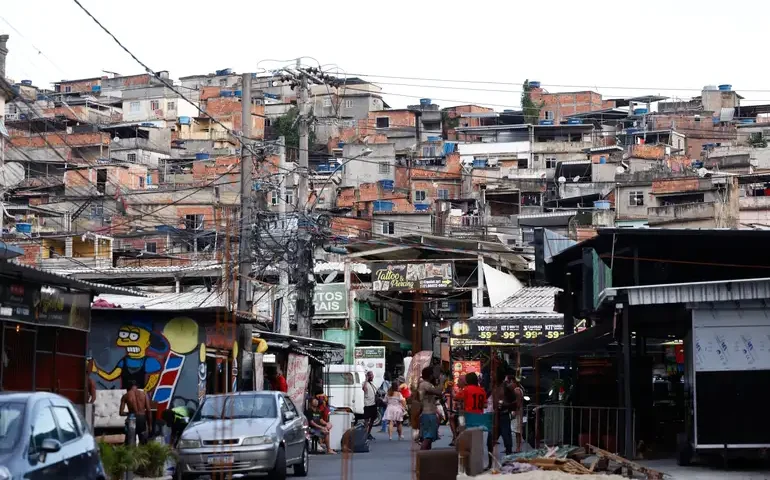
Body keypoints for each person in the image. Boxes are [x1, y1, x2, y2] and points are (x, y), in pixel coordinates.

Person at [486, 367, 515, 469]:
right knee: (489, 441)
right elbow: (486, 396)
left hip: (503, 416)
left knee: (507, 442)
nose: (491, 376)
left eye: (492, 374)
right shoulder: (492, 386)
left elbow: (515, 402)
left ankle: (508, 464)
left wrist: (506, 405)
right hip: (495, 416)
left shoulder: (506, 387)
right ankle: (490, 464)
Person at [417, 367, 443, 450]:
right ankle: (421, 457)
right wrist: (442, 381)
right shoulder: (425, 384)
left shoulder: (424, 384)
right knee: (428, 437)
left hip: (427, 413)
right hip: (428, 414)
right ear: (430, 375)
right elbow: (438, 392)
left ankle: (426, 457)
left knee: (428, 438)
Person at [119, 380, 152, 445]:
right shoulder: (144, 394)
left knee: (131, 441)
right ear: (137, 386)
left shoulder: (125, 396)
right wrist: (150, 425)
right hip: (142, 418)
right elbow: (148, 410)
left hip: (132, 418)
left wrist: (130, 413)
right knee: (143, 442)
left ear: (129, 386)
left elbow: (121, 413)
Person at [362, 371, 378, 441]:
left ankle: (368, 433)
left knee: (372, 421)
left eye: (372, 375)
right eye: (370, 375)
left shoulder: (372, 383)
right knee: (366, 421)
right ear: (368, 376)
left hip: (373, 405)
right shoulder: (365, 383)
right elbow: (364, 389)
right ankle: (365, 435)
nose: (372, 377)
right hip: (368, 405)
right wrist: (366, 379)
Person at [511, 377, 525, 453]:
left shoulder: (517, 391)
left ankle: (518, 448)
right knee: (517, 431)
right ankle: (518, 447)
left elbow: (518, 403)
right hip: (519, 412)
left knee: (518, 431)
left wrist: (515, 412)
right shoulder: (519, 390)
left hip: (518, 412)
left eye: (511, 382)